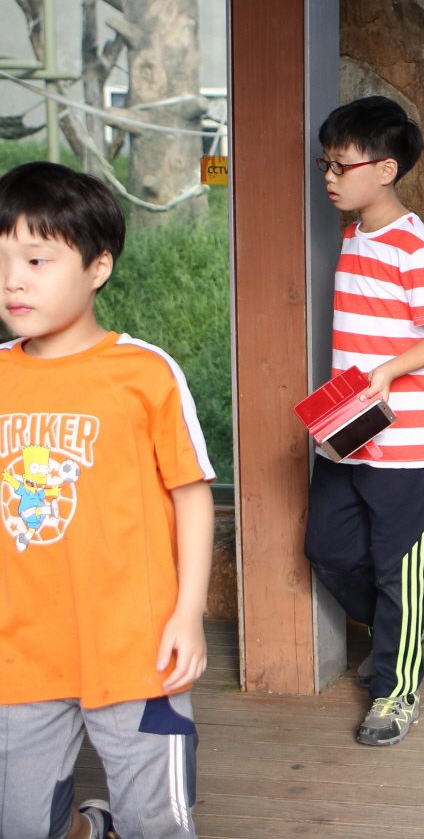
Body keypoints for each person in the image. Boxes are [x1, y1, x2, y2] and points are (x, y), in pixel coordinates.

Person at [0, 162, 216, 839]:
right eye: (2, 260)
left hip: (136, 649)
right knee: (21, 823)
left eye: (36, 260)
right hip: (21, 651)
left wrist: (188, 613)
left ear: (98, 267)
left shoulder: (144, 374)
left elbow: (191, 495)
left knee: (157, 823)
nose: (13, 280)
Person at [302, 96, 424, 747]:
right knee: (327, 548)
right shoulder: (353, 236)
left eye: (342, 165)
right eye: (326, 164)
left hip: (409, 447)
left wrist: (390, 371)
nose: (330, 176)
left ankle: (396, 695)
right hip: (348, 433)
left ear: (386, 169)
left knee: (399, 570)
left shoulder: (415, 245)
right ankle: (405, 624)